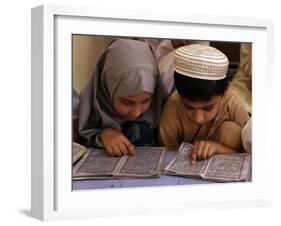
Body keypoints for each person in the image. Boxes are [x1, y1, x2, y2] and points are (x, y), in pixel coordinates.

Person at [159, 44, 249, 163]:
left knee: (230, 130)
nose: (198, 118)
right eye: (188, 107)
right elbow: (167, 155)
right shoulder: (172, 107)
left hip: (225, 164)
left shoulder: (232, 103)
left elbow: (250, 153)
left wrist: (218, 148)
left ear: (224, 92)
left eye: (208, 108)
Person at [78, 39, 165, 157]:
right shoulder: (82, 109)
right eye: (127, 102)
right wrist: (103, 134)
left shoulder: (164, 107)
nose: (136, 113)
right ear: (106, 88)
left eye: (146, 101)